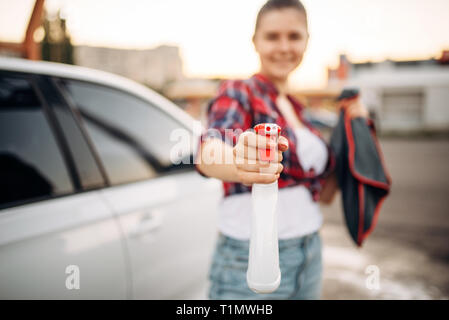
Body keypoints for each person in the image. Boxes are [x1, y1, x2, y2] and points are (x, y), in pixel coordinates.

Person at [195, 0, 369, 300]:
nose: (284, 47)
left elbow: (325, 196)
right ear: (256, 42)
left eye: (294, 36)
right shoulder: (238, 91)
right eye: (272, 37)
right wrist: (239, 162)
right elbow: (208, 152)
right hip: (248, 257)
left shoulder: (301, 112)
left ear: (306, 41)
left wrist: (356, 131)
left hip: (309, 249)